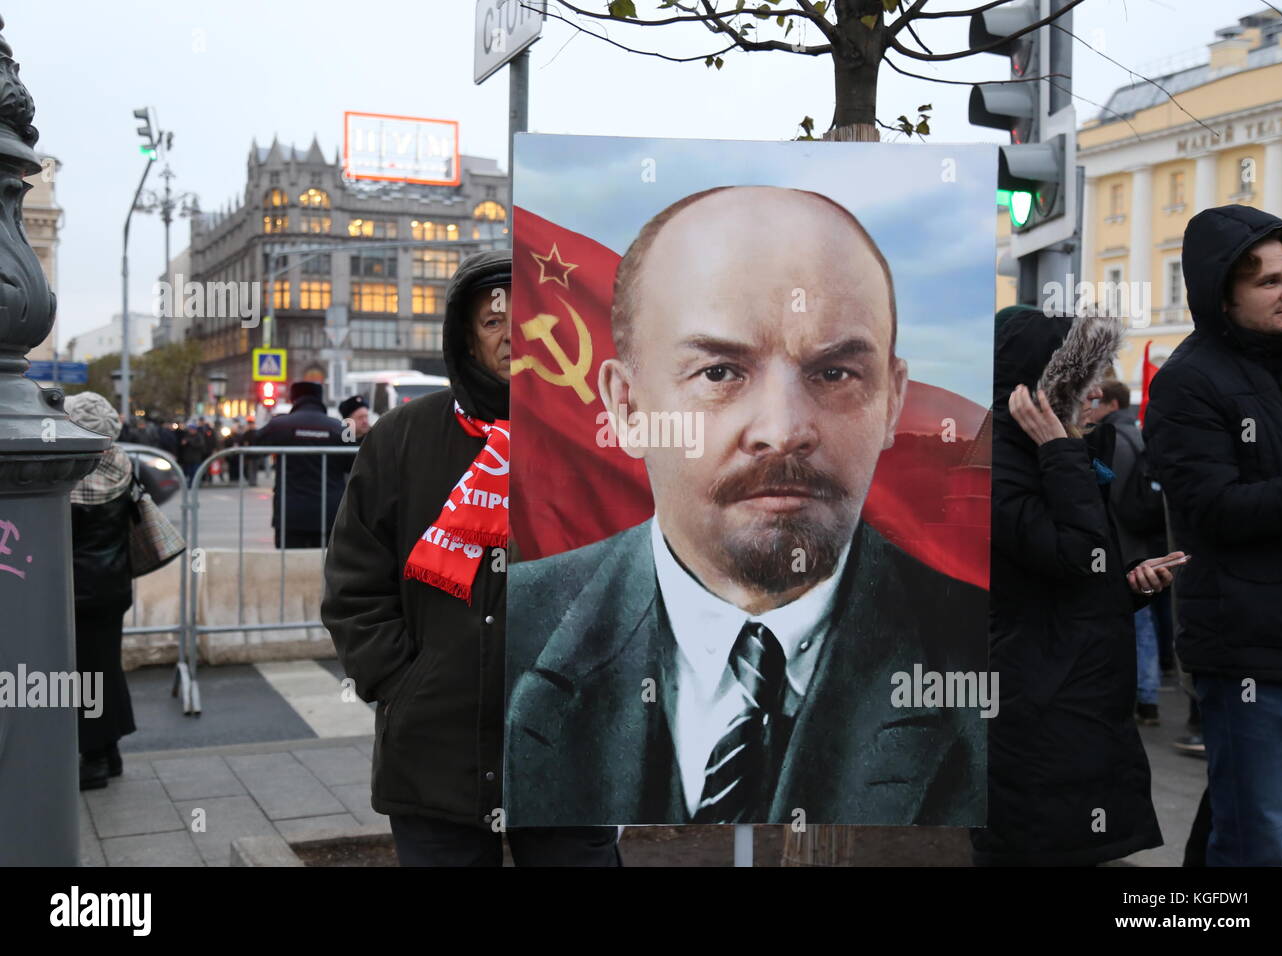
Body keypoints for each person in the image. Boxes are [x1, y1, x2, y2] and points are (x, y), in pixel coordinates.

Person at [506, 186, 986, 827]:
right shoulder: (511, 634)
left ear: (892, 400)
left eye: (835, 374)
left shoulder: (984, 655)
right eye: (719, 373)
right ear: (626, 407)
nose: (783, 429)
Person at [323, 249, 621, 866]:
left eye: (528, 316)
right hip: (435, 752)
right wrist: (403, 683)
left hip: (570, 750)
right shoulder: (402, 437)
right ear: (465, 336)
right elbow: (354, 583)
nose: (512, 335)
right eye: (492, 322)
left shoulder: (599, 435)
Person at [972, 306, 1176, 867]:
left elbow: (1082, 576)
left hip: (1075, 697)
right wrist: (1060, 451)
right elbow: (1072, 557)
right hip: (1038, 700)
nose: (1092, 398)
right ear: (1039, 388)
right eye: (1078, 384)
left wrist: (1133, 585)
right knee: (1035, 846)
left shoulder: (1049, 453)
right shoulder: (1001, 460)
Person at [1144, 204, 1282, 867]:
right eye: (1268, 281)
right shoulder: (1189, 382)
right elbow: (1214, 510)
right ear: (1223, 295)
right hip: (1247, 653)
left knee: (1234, 821)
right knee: (1254, 840)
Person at [65, 392, 138, 791]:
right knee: (105, 665)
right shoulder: (122, 463)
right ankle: (109, 752)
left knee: (86, 674)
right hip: (113, 585)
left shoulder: (70, 476)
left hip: (78, 589)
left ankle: (93, 758)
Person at [1086, 377, 1167, 725]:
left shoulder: (1110, 438)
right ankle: (1149, 697)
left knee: (1126, 623)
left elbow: (1108, 496)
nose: (1092, 406)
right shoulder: (1139, 434)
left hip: (1119, 541)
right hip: (1142, 540)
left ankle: (1131, 697)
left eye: (1099, 401)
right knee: (1144, 625)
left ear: (1112, 404)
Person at [253, 381, 348, 548]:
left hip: (290, 513)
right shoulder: (339, 428)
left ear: (293, 399)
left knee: (288, 567)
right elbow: (354, 463)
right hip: (329, 512)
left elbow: (253, 449)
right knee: (325, 568)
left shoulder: (280, 425)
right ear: (320, 398)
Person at [338, 394, 370, 475]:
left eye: (366, 417)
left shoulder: (375, 439)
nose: (365, 421)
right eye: (360, 417)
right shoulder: (341, 441)